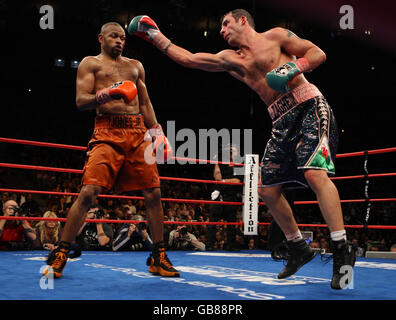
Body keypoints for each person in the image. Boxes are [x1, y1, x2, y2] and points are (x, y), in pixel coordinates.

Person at [129, 9, 355, 289]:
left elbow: (318, 53)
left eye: (225, 23)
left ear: (243, 21)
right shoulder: (231, 59)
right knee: (267, 189)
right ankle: (298, 247)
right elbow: (188, 59)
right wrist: (153, 35)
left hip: (308, 105)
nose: (222, 30)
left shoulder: (275, 36)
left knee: (314, 174)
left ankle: (342, 248)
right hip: (280, 120)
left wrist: (294, 67)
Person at [44, 22, 179, 278]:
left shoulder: (135, 66)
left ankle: (159, 256)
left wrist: (158, 133)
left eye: (122, 38)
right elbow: (81, 101)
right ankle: (61, 252)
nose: (119, 41)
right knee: (89, 191)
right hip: (107, 131)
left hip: (138, 132)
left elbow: (145, 102)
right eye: (113, 36)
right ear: (101, 38)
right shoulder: (90, 63)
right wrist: (106, 94)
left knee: (153, 193)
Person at [207, 145, 243, 251]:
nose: (232, 152)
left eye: (234, 150)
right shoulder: (221, 163)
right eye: (230, 151)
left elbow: (238, 181)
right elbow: (217, 178)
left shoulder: (240, 165)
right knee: (213, 221)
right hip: (219, 195)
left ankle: (231, 245)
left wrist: (224, 181)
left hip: (231, 196)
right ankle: (210, 245)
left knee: (231, 222)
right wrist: (216, 162)